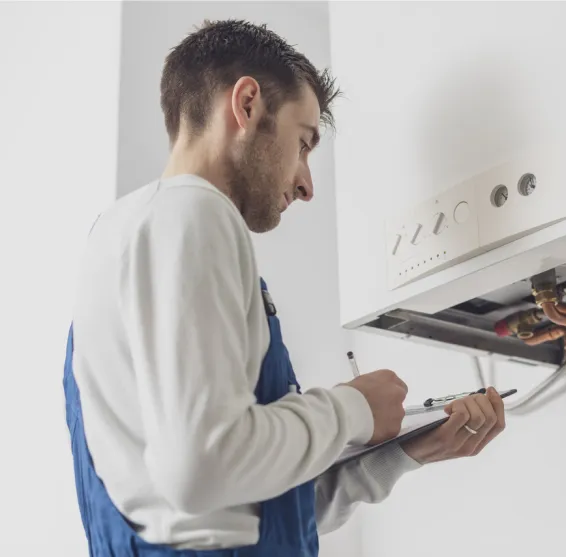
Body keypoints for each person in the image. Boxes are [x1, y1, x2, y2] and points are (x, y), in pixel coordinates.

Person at [63, 19, 507, 556]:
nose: (306, 183)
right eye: (304, 143)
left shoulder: (121, 240)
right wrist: (352, 410)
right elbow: (203, 467)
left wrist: (406, 451)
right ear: (247, 104)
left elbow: (246, 509)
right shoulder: (193, 214)